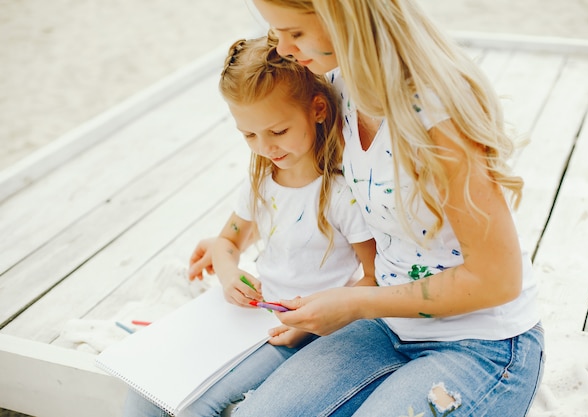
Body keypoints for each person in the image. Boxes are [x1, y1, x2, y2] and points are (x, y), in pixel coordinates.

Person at [216, 1, 543, 416]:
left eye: (294, 33)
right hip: (386, 325)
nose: (281, 48)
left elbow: (497, 279)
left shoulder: (438, 115)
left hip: (482, 344)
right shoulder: (336, 84)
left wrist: (356, 303)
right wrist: (228, 239)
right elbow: (283, 150)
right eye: (275, 32)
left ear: (346, 17)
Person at [122, 35, 377, 417]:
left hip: (300, 332)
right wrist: (229, 275)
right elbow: (227, 242)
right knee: (146, 387)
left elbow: (373, 277)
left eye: (278, 132)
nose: (266, 147)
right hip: (252, 315)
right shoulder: (263, 182)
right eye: (249, 135)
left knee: (197, 404)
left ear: (318, 110)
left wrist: (308, 325)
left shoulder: (340, 195)